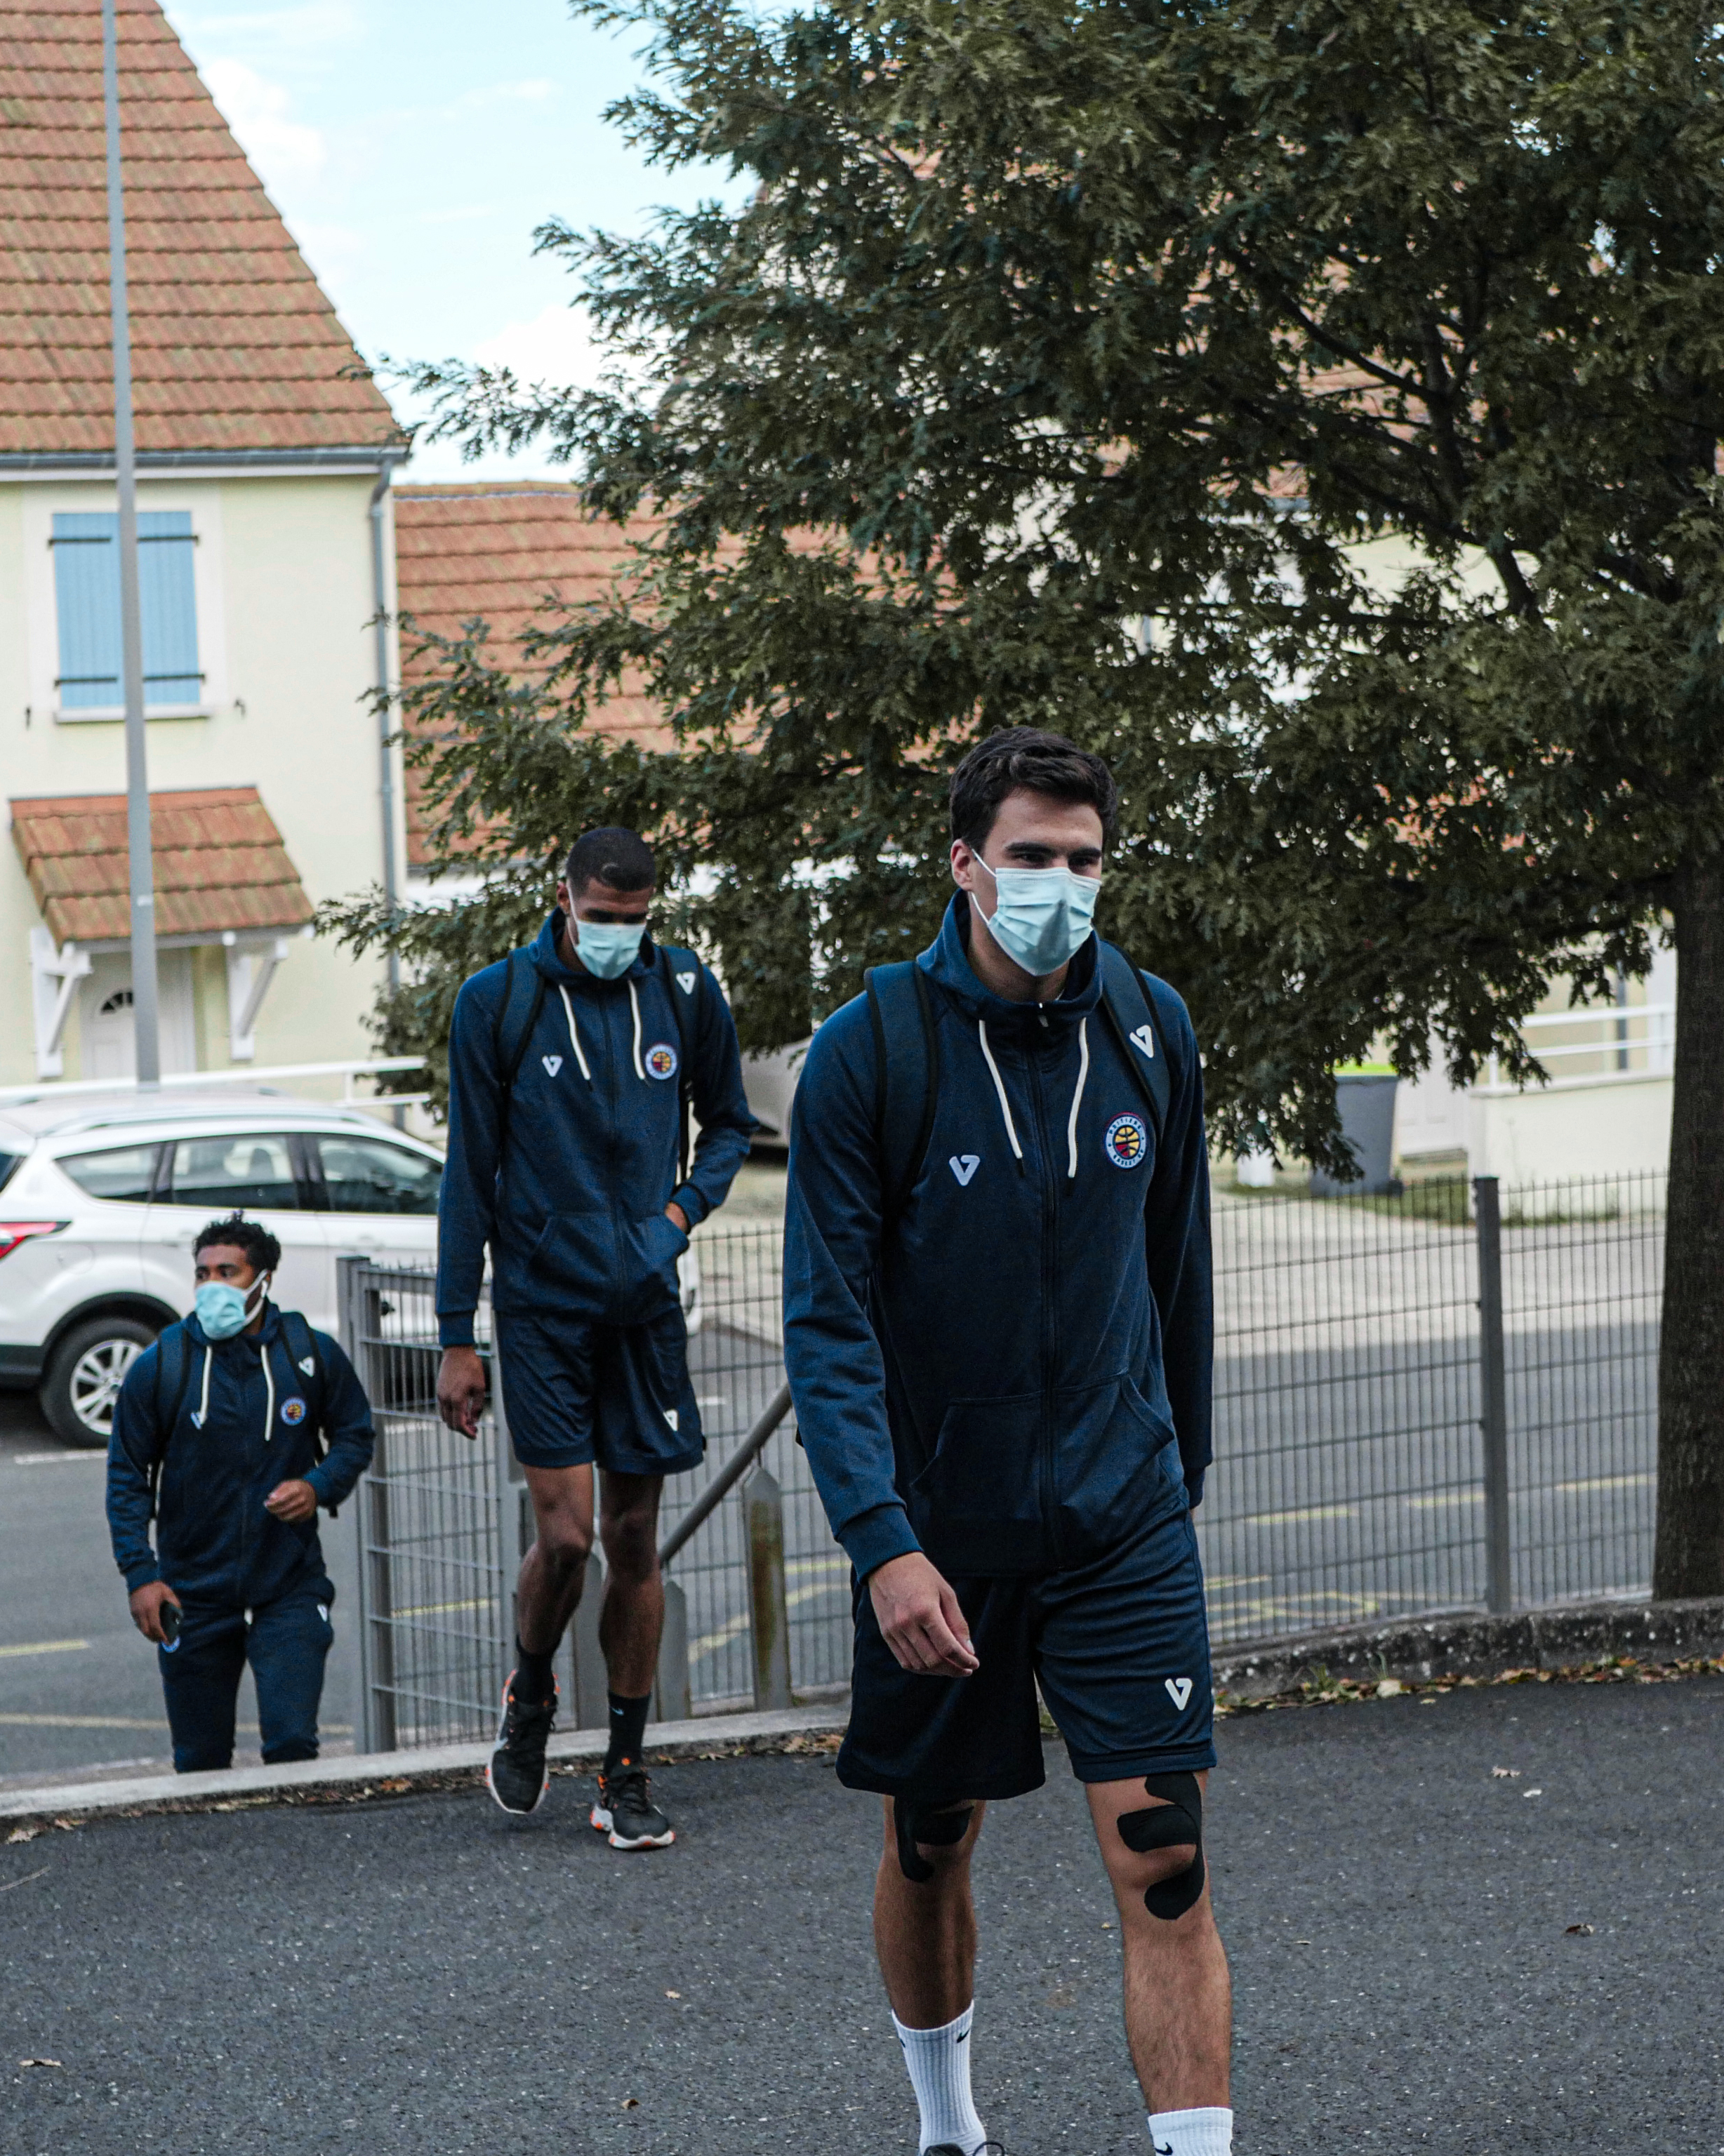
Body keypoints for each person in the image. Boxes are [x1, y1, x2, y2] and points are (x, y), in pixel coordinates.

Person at [783, 729, 1228, 2156]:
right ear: (966, 864)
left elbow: (1178, 1284)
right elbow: (828, 1326)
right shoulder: (873, 1053)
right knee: (933, 1840)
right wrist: (884, 1542)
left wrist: (1175, 1480)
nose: (1059, 885)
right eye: (1031, 857)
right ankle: (947, 2125)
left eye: (1084, 861)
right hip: (941, 1542)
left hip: (1121, 1525)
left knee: (1164, 1862)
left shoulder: (1150, 1029)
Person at [435, 825, 759, 1850]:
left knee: (633, 1541)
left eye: (637, 918)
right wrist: (454, 1333)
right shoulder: (498, 1002)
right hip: (540, 1305)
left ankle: (624, 1770)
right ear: (564, 898)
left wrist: (676, 1218)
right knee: (567, 1539)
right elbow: (467, 1175)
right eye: (603, 916)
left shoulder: (687, 993)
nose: (620, 933)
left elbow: (733, 1127)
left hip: (645, 1305)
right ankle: (530, 1692)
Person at [105, 1214, 376, 1773]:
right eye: (202, 1274)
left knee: (293, 1748)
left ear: (263, 1280)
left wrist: (318, 1485)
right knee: (200, 1761)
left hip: (290, 1587)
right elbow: (127, 1475)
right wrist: (142, 1575)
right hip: (192, 1595)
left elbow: (354, 1433)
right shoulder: (164, 1365)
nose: (212, 1287)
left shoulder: (309, 1354)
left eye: (227, 1272)